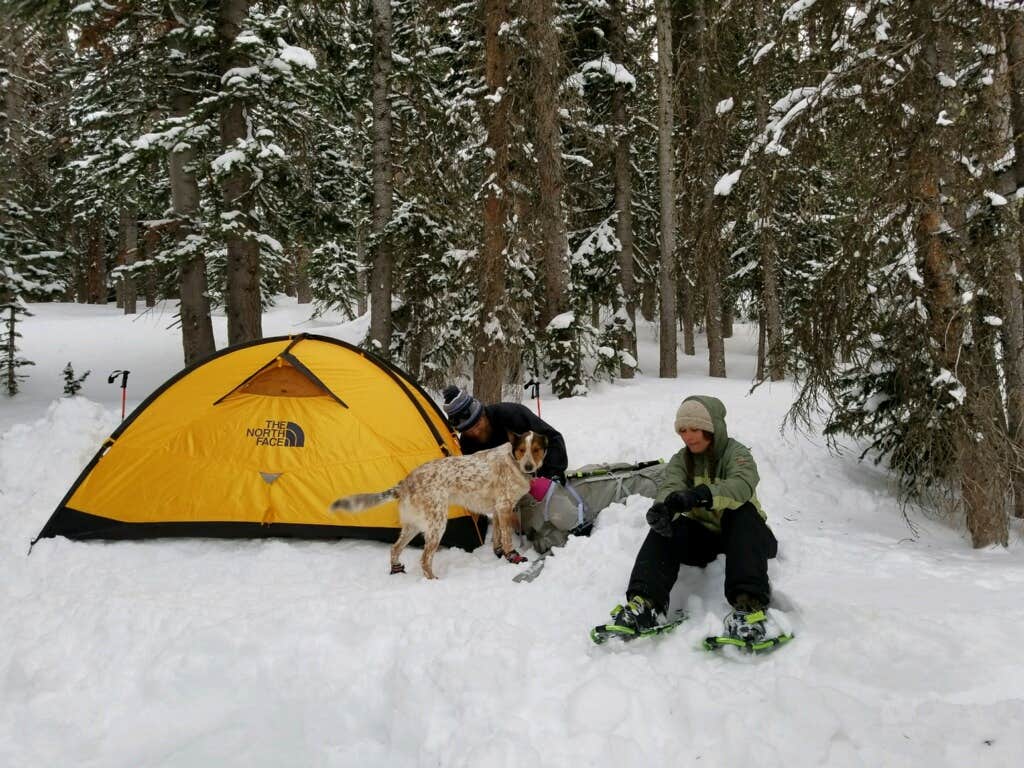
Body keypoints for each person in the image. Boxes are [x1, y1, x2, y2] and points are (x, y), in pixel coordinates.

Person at [598, 395, 778, 643]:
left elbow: (741, 485)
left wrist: (701, 495)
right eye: (683, 430)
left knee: (742, 512)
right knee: (669, 527)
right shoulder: (681, 460)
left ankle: (749, 605)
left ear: (712, 427)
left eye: (695, 429)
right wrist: (665, 507)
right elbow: (670, 484)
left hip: (748, 538)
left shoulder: (736, 454)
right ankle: (646, 604)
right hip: (704, 537)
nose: (689, 436)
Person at [441, 385, 568, 485]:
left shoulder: (512, 415)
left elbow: (553, 438)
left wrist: (552, 475)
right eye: (468, 430)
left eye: (477, 425)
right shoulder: (467, 443)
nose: (475, 432)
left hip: (542, 477)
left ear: (483, 414)